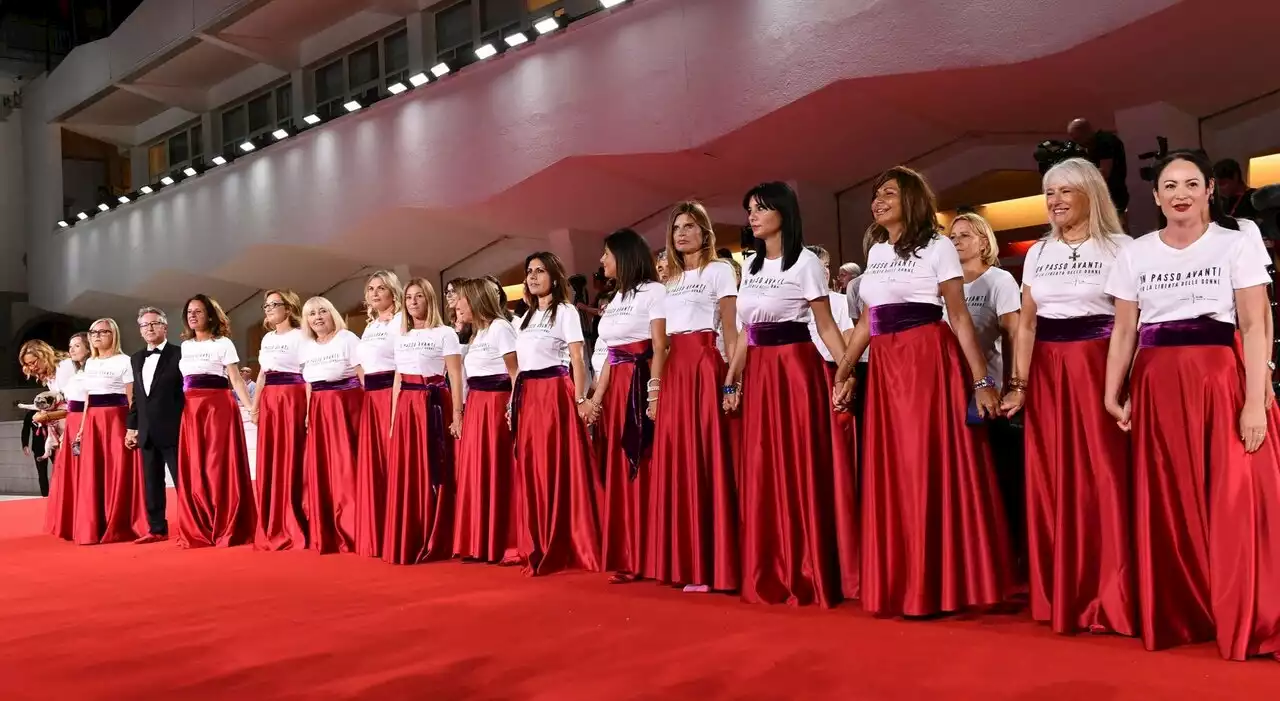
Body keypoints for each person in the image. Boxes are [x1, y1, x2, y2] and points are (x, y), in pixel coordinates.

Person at [1104, 149, 1280, 661]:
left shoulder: (1236, 244)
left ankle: (1243, 612)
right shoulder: (1135, 253)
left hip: (1218, 379)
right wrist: (1111, 390)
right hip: (1157, 383)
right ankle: (1185, 612)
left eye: (1191, 183)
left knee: (1231, 497)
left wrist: (1253, 402)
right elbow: (1123, 331)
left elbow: (1253, 326)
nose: (1180, 193)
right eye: (1169, 185)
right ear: (1156, 198)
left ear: (1209, 191)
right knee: (1171, 498)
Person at [833, 166, 1013, 617]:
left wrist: (981, 381)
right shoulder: (876, 251)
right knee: (893, 468)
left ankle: (940, 582)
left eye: (889, 193)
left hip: (927, 362)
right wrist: (845, 368)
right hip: (887, 366)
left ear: (910, 198)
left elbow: (958, 315)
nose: (878, 201)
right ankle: (904, 578)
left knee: (923, 464)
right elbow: (866, 321)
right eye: (876, 194)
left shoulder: (937, 247)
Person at [1000, 157, 1136, 636]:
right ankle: (1063, 591)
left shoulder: (1122, 248)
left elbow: (1129, 323)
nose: (1054, 201)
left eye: (1065, 191)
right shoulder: (1037, 251)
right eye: (1049, 193)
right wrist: (1019, 384)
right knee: (1052, 477)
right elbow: (1028, 323)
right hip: (1048, 370)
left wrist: (1122, 383)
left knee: (1104, 476)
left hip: (1099, 365)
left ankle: (1111, 595)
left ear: (1091, 194)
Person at [724, 181, 856, 607]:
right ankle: (773, 566)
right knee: (763, 466)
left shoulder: (806, 265)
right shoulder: (752, 267)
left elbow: (826, 325)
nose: (753, 216)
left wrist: (845, 372)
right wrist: (732, 378)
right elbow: (746, 332)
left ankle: (810, 568)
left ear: (784, 213)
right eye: (750, 209)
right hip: (760, 372)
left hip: (795, 369)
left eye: (761, 208)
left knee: (800, 465)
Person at [646, 201, 740, 593]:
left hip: (706, 365)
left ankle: (716, 563)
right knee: (680, 459)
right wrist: (654, 389)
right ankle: (686, 560)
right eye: (677, 227)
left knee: (707, 456)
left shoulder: (719, 271)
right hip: (675, 371)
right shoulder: (665, 285)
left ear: (705, 231)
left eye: (690, 226)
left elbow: (732, 330)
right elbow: (660, 345)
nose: (682, 233)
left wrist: (733, 380)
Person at [584, 228, 668, 584]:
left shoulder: (655, 292)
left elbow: (661, 346)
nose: (602, 261)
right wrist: (596, 399)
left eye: (607, 253)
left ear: (625, 255)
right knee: (619, 466)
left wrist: (654, 391)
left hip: (642, 382)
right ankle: (628, 552)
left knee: (646, 462)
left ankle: (653, 554)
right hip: (616, 386)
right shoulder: (615, 298)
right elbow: (609, 356)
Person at [512, 251, 602, 575]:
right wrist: (513, 404)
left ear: (554, 275)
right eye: (529, 271)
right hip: (529, 397)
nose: (533, 276)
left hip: (554, 394)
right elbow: (520, 368)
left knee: (557, 465)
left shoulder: (565, 311)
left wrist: (580, 399)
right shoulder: (522, 317)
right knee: (534, 468)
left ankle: (565, 539)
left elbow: (578, 359)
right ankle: (537, 538)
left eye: (540, 271)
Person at [384, 278, 463, 565]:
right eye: (408, 298)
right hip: (406, 405)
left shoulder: (445, 333)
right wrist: (394, 419)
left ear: (429, 300)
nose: (413, 302)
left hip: (434, 403)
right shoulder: (401, 336)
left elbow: (454, 375)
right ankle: (411, 532)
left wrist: (457, 413)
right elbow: (397, 378)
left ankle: (439, 534)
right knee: (409, 469)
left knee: (438, 466)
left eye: (419, 296)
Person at [174, 294, 257, 548]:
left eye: (198, 311)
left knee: (216, 464)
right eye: (189, 311)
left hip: (217, 407)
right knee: (196, 466)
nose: (192, 315)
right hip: (191, 409)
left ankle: (226, 522)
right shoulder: (185, 346)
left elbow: (236, 379)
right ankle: (201, 522)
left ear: (210, 315)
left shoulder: (223, 343)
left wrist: (252, 408)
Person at [451, 278, 520, 564]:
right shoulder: (476, 334)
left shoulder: (500, 328)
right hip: (477, 405)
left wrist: (512, 406)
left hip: (495, 405)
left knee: (496, 469)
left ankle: (500, 541)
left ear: (476, 300)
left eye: (461, 300)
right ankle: (479, 540)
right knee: (478, 470)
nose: (455, 305)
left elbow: (516, 372)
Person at [299, 296, 364, 554]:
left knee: (347, 467)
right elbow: (309, 384)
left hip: (346, 407)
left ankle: (353, 527)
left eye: (322, 311)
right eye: (312, 313)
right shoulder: (306, 346)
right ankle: (326, 528)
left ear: (332, 313)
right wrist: (307, 413)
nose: (317, 317)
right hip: (318, 409)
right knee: (323, 469)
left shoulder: (348, 339)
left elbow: (362, 374)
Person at [74, 318, 148, 545]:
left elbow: (131, 398)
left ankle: (119, 522)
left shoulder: (125, 361)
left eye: (103, 332)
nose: (96, 336)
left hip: (117, 419)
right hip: (94, 420)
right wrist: (82, 428)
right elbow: (87, 400)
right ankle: (97, 524)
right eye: (93, 332)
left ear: (113, 335)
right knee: (94, 471)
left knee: (118, 470)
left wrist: (132, 427)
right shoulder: (91, 364)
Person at [249, 290, 309, 551]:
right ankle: (273, 518)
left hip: (292, 397)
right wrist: (255, 405)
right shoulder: (266, 338)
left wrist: (307, 410)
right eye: (266, 305)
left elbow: (307, 373)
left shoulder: (301, 336)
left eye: (275, 304)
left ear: (289, 308)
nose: (269, 309)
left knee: (292, 455)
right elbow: (262, 374)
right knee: (271, 457)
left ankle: (294, 517)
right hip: (270, 400)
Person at [355, 270, 404, 558]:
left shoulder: (401, 322)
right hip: (371, 398)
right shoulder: (370, 325)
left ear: (392, 292)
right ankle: (379, 529)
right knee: (376, 463)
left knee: (392, 457)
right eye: (371, 289)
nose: (375, 294)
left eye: (381, 288)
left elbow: (402, 361)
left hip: (392, 393)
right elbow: (362, 363)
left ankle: (397, 527)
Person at [126, 308, 183, 544]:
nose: (149, 328)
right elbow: (137, 398)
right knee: (152, 484)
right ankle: (157, 528)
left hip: (175, 429)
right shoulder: (136, 358)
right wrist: (132, 427)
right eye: (144, 325)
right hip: (147, 431)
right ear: (140, 331)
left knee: (183, 482)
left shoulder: (180, 355)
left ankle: (195, 525)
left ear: (165, 327)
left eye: (155, 323)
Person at [1068, 118, 1129, 216]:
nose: (1077, 143)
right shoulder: (1103, 141)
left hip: (1110, 194)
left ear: (1084, 132)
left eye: (1077, 138)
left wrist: (1079, 181)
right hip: (1113, 193)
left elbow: (1104, 172)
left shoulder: (1103, 143)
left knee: (1113, 224)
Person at [1213, 158, 1259, 223]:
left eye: (1222, 184)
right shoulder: (1225, 203)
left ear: (1235, 177)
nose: (1219, 189)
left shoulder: (1255, 198)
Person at [20, 408, 49, 497]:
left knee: (59, 469)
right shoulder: (30, 414)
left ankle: (60, 493)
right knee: (42, 472)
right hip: (38, 446)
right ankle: (45, 495)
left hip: (53, 444)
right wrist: (25, 445)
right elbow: (25, 429)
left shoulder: (51, 412)